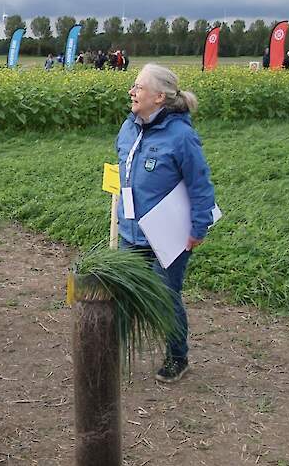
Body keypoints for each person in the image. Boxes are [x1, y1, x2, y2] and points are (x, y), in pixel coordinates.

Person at [115, 63, 217, 384]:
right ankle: (110, 349)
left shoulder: (182, 136)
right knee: (124, 291)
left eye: (139, 88)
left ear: (159, 97)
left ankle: (177, 356)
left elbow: (200, 184)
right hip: (132, 230)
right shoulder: (128, 128)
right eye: (133, 86)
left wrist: (198, 228)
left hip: (169, 235)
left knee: (164, 295)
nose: (132, 92)